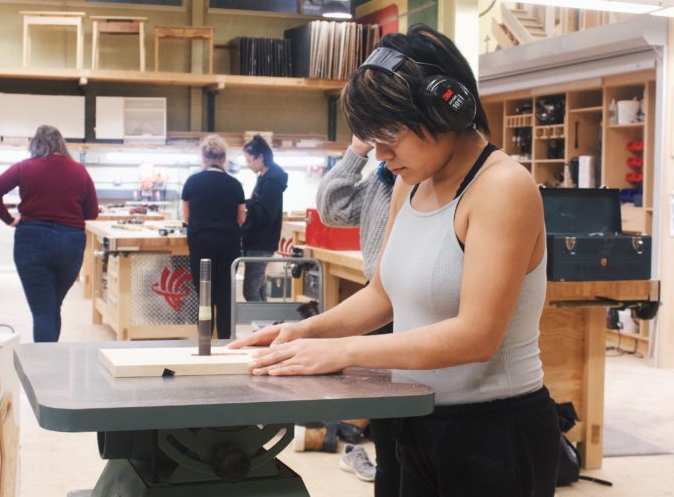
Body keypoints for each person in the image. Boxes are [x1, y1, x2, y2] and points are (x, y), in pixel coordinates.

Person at [231, 25, 560, 496]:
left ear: (447, 106)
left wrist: (342, 352)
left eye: (391, 135)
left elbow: (477, 335)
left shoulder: (502, 187)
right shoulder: (411, 181)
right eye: (372, 138)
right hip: (411, 416)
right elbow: (382, 294)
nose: (382, 156)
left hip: (491, 432)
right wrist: (304, 332)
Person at [316, 136, 398, 495]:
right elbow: (332, 209)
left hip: (413, 305)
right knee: (387, 421)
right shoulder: (382, 178)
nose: (385, 152)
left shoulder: (426, 181)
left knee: (410, 419)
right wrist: (356, 150)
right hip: (378, 297)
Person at [0, 125, 98, 342]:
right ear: (61, 144)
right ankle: (51, 363)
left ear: (35, 144)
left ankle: (44, 370)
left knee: (44, 310)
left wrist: (9, 220)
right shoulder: (79, 171)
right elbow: (91, 212)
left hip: (32, 240)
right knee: (53, 305)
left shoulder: (24, 167)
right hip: (70, 242)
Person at [181, 135, 246, 339]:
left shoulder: (192, 182)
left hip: (201, 243)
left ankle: (204, 342)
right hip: (228, 244)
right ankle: (226, 340)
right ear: (224, 159)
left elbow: (186, 217)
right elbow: (241, 218)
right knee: (225, 295)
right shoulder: (235, 184)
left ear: (203, 158)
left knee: (204, 294)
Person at [241, 134, 288, 302]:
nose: (248, 165)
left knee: (250, 290)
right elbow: (259, 205)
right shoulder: (264, 178)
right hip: (258, 241)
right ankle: (267, 326)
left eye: (249, 160)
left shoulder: (272, 182)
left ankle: (263, 328)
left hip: (261, 241)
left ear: (260, 157)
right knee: (258, 288)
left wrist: (246, 205)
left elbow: (266, 213)